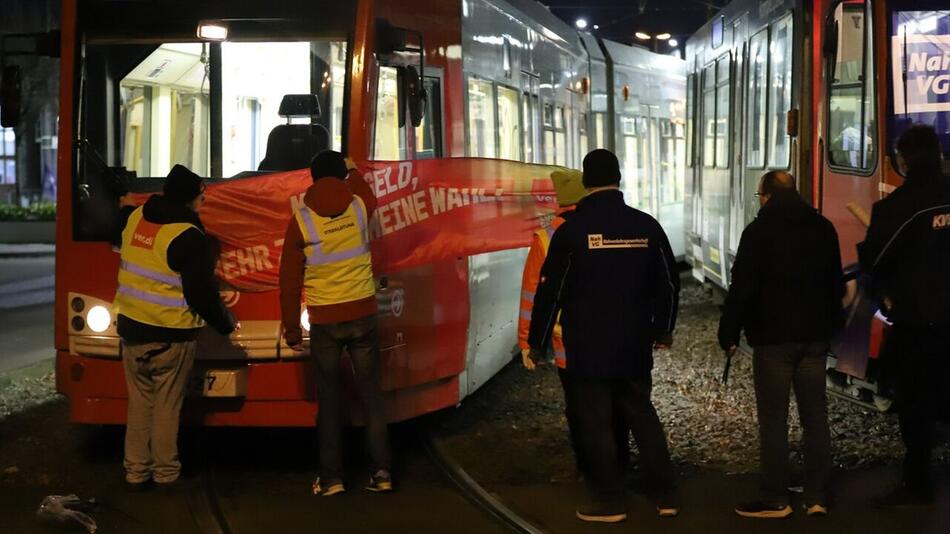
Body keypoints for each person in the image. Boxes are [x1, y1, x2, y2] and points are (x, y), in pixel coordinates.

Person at [527, 149, 680, 523]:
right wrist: (663, 328)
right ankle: (664, 494)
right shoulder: (646, 226)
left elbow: (550, 290)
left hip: (587, 345)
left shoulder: (571, 232)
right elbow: (670, 283)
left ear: (585, 182)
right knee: (642, 414)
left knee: (596, 421)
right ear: (619, 178)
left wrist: (538, 341)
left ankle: (611, 500)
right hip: (633, 342)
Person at [718, 170, 844, 518]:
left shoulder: (758, 232)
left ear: (767, 196)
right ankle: (817, 495)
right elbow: (835, 282)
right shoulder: (823, 228)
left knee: (774, 420)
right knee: (815, 417)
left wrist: (728, 332)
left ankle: (775, 496)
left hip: (774, 341)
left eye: (759, 196)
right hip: (814, 340)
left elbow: (742, 287)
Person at [114, 164, 237, 488]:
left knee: (140, 404)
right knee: (167, 406)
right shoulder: (189, 237)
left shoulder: (136, 218)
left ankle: (135, 472)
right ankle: (166, 474)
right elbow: (200, 293)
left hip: (130, 330)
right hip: (170, 336)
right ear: (188, 199)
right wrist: (225, 324)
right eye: (201, 196)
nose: (203, 202)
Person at [280, 150, 391, 496]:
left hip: (325, 321)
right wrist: (353, 170)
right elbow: (368, 194)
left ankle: (331, 480)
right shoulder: (358, 207)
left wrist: (292, 329)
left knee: (329, 402)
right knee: (372, 397)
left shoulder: (301, 220)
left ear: (312, 179)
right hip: (362, 316)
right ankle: (382, 473)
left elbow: (289, 279)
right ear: (340, 176)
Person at [518, 168, 631, 480]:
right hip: (614, 334)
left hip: (567, 342)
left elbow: (532, 294)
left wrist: (528, 343)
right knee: (617, 401)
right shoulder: (610, 226)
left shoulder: (545, 237)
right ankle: (621, 461)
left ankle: (588, 467)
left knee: (579, 406)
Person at [859, 125, 950, 508]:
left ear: (903, 160)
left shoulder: (896, 208)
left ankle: (918, 484)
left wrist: (886, 295)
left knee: (915, 403)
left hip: (918, 322)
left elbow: (875, 262)